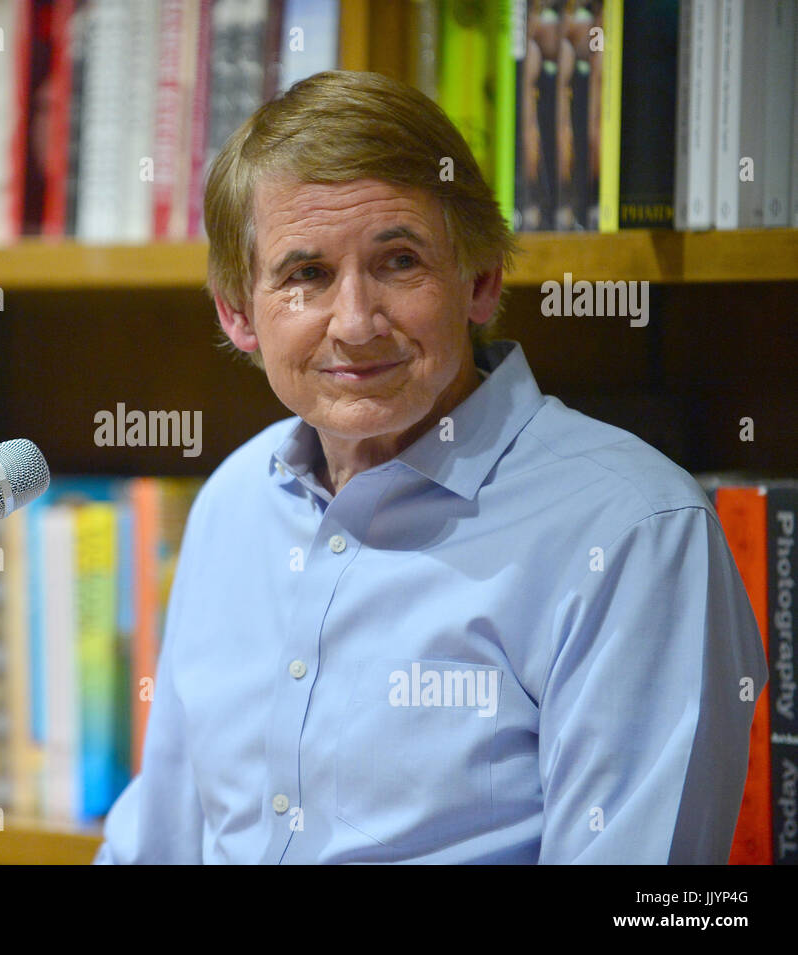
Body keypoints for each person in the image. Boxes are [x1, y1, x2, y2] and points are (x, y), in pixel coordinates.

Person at [93, 70, 766, 864]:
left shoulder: (635, 531)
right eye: (306, 275)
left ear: (480, 281)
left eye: (399, 261)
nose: (354, 322)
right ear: (238, 312)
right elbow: (160, 843)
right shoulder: (230, 504)